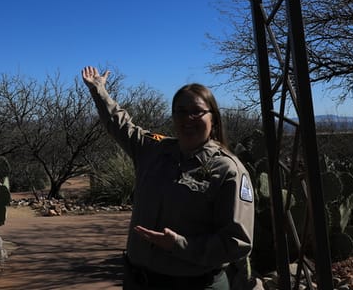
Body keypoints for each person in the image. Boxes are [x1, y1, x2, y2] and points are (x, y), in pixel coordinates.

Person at [82, 65, 255, 290]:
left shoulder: (227, 170)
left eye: (197, 111)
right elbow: (121, 124)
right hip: (138, 281)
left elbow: (237, 242)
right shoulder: (154, 151)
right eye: (180, 111)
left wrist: (179, 244)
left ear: (213, 118)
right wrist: (99, 91)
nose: (188, 118)